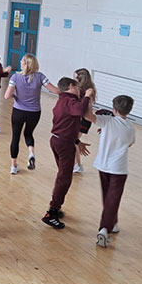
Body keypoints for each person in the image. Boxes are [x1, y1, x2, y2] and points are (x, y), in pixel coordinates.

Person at [42, 77, 93, 229]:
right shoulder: (70, 101)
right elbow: (80, 111)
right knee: (64, 178)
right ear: (71, 86)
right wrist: (87, 96)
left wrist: (77, 142)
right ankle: (52, 212)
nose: (79, 91)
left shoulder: (62, 100)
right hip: (64, 144)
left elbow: (66, 124)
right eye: (77, 87)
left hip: (59, 140)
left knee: (63, 176)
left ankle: (56, 207)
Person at [84, 95, 135, 248]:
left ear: (114, 109)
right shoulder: (130, 127)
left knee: (107, 197)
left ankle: (113, 223)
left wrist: (88, 99)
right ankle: (104, 228)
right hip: (118, 168)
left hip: (102, 165)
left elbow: (87, 115)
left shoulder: (106, 121)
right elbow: (129, 144)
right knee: (113, 199)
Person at [4, 55, 60, 174]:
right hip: (34, 112)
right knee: (28, 133)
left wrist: (15, 95)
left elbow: (7, 96)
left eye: (22, 60)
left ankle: (13, 166)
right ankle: (31, 153)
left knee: (15, 137)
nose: (20, 61)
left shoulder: (15, 77)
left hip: (18, 111)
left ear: (25, 64)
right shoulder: (40, 77)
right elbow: (55, 91)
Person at [73, 68, 97, 174]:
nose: (73, 80)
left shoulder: (86, 92)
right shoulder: (85, 90)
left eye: (75, 78)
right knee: (75, 141)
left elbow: (85, 108)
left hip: (84, 120)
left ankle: (76, 165)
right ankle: (77, 165)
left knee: (73, 141)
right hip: (83, 120)